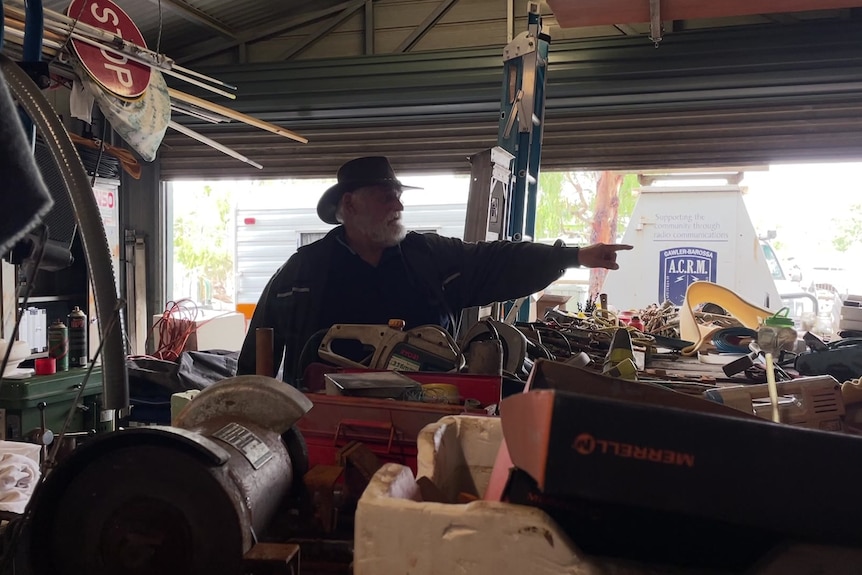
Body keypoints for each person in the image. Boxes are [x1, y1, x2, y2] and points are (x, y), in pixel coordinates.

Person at [237, 156, 633, 384]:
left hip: (426, 407)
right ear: (351, 206)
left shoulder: (427, 256)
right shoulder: (302, 273)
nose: (399, 205)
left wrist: (574, 256)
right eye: (386, 196)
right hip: (325, 412)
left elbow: (496, 259)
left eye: (398, 196)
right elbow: (259, 353)